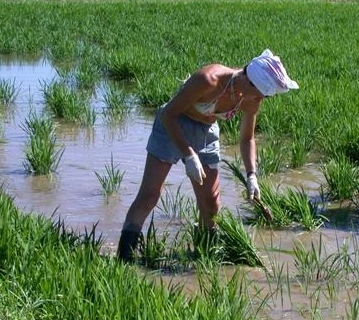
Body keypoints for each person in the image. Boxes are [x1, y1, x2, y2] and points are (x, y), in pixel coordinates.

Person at [117, 49, 299, 261]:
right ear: (250, 82)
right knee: (149, 196)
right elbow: (169, 114)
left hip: (206, 132)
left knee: (211, 204)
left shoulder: (252, 98)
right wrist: (188, 155)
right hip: (172, 125)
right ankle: (125, 258)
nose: (262, 99)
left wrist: (252, 176)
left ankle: (204, 256)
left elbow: (246, 139)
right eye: (263, 93)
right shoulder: (208, 79)